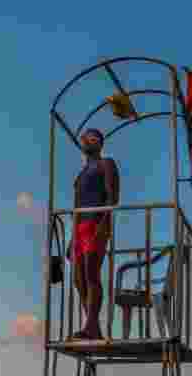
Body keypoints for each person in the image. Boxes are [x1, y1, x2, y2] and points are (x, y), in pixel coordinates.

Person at [68, 128, 119, 341]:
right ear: (82, 143)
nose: (91, 139)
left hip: (96, 222)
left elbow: (112, 196)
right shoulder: (81, 173)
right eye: (87, 137)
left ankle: (90, 326)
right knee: (78, 279)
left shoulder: (106, 163)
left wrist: (103, 226)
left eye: (95, 137)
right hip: (80, 226)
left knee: (91, 273)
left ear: (101, 144)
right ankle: (93, 326)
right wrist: (72, 237)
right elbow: (76, 206)